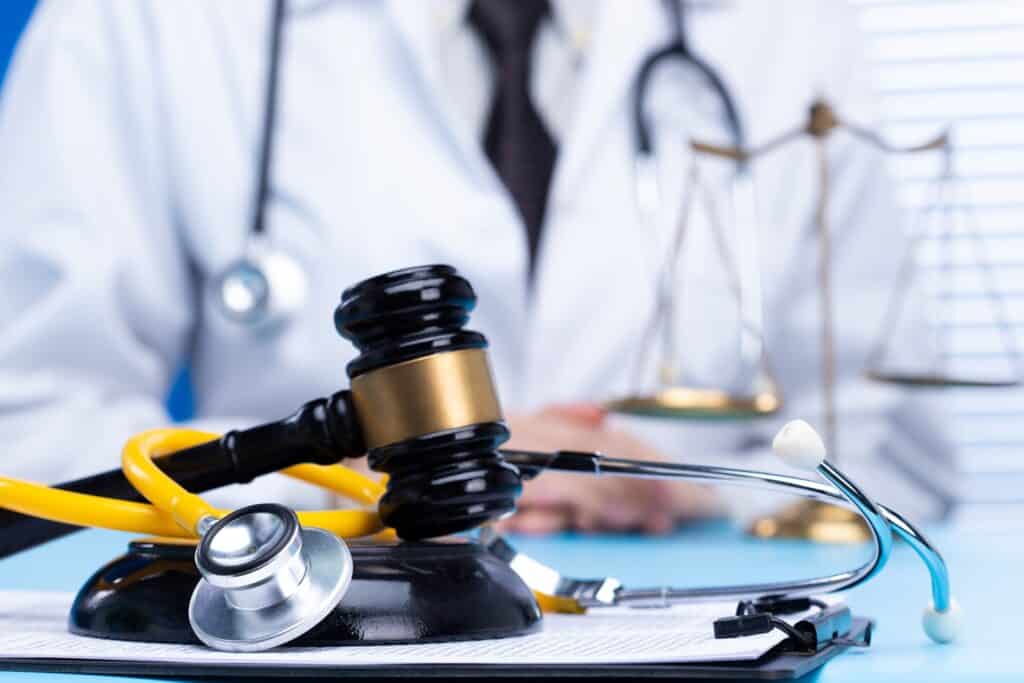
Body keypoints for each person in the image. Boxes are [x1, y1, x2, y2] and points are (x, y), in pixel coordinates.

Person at [0, 0, 947, 534]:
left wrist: (686, 483)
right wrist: (358, 476)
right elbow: (29, 436)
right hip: (321, 638)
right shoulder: (135, 24)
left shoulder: (790, 30)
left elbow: (897, 460)